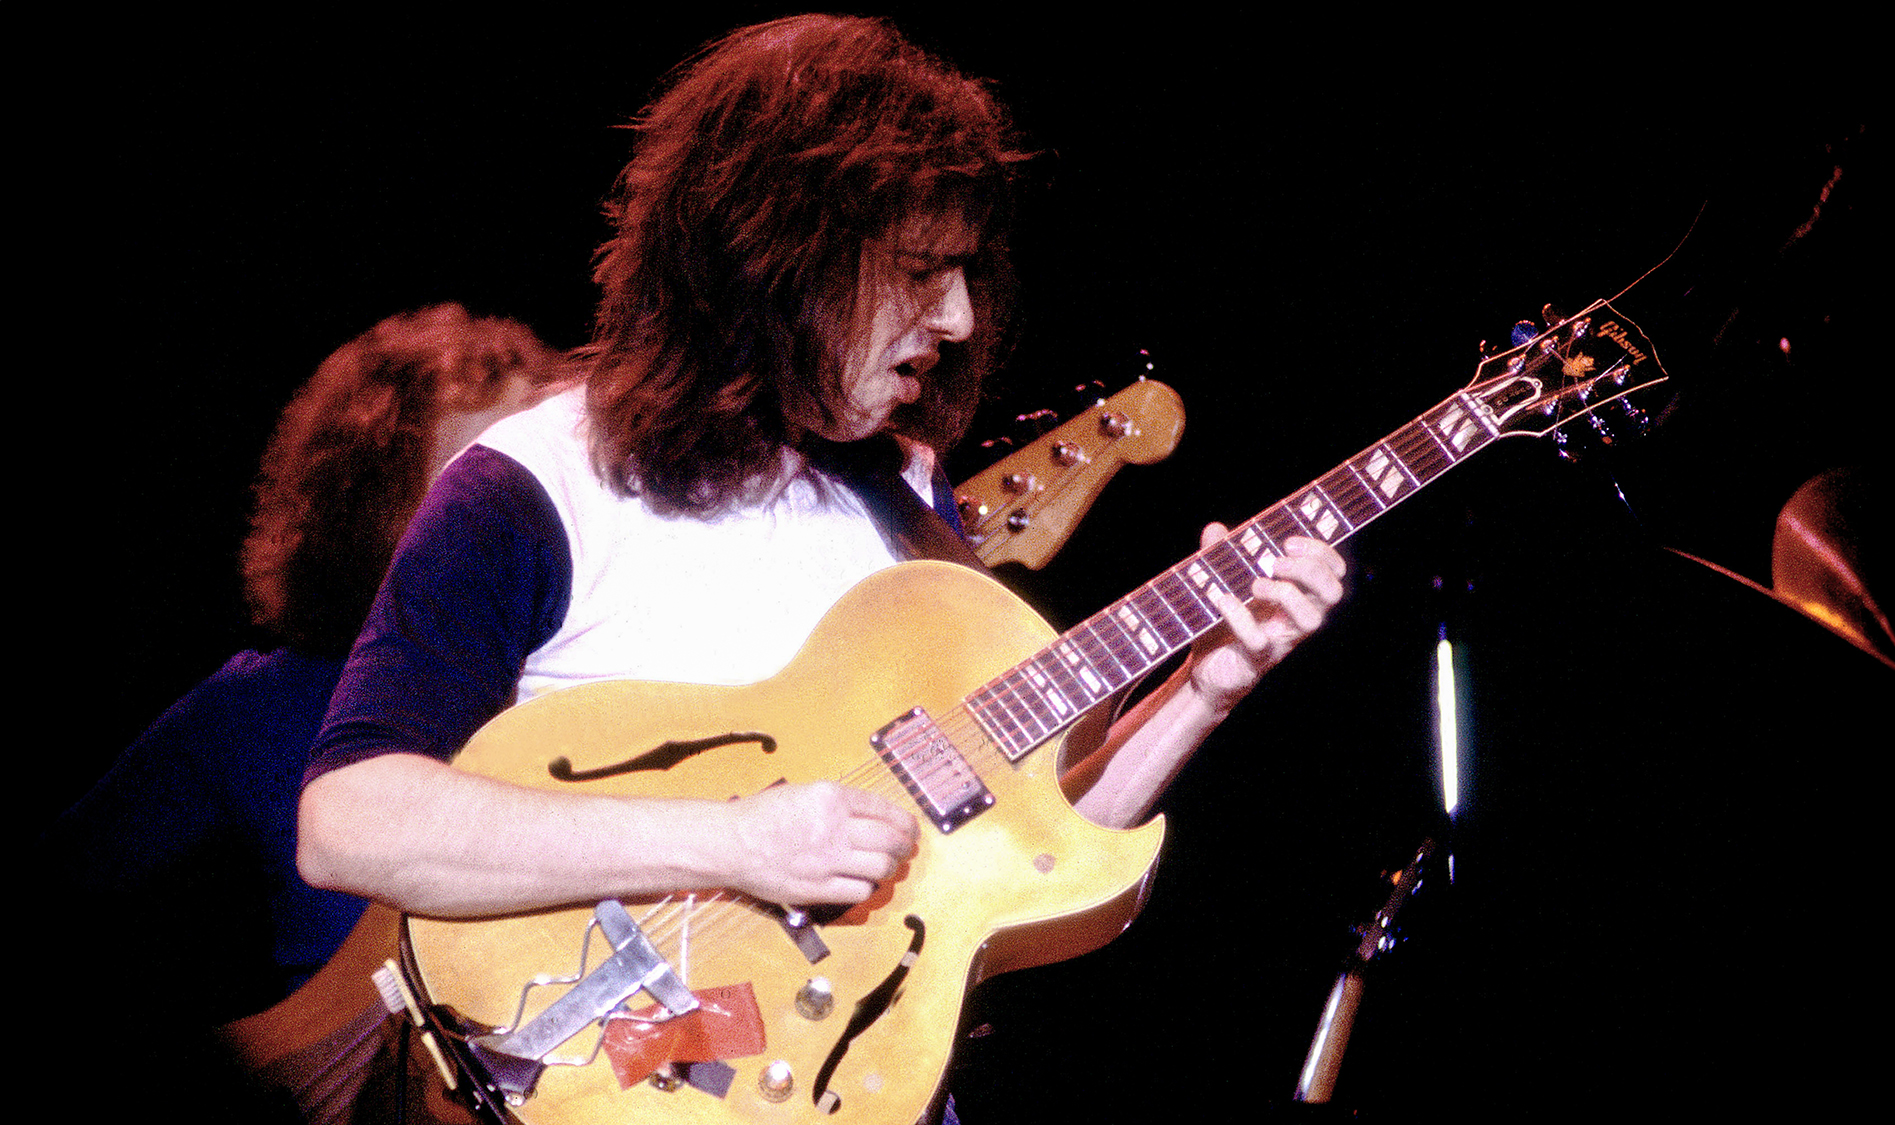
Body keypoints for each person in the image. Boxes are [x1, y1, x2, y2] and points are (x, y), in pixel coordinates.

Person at [296, 14, 1345, 1115]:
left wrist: (1204, 688)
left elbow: (1009, 872)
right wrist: (738, 841)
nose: (957, 316)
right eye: (922, 270)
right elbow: (348, 821)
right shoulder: (535, 483)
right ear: (783, 255)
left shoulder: (902, 496)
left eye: (966, 274)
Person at [43, 304, 565, 1066]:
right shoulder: (261, 706)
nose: (531, 507)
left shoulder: (623, 670)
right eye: (481, 479)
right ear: (373, 510)